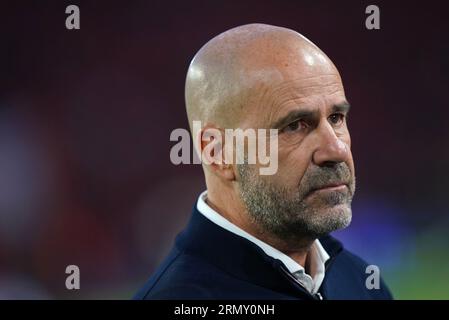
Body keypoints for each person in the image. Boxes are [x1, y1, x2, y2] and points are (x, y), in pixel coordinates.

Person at [135, 23, 393, 300]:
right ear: (219, 153)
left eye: (336, 118)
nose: (336, 150)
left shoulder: (361, 282)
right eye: (295, 125)